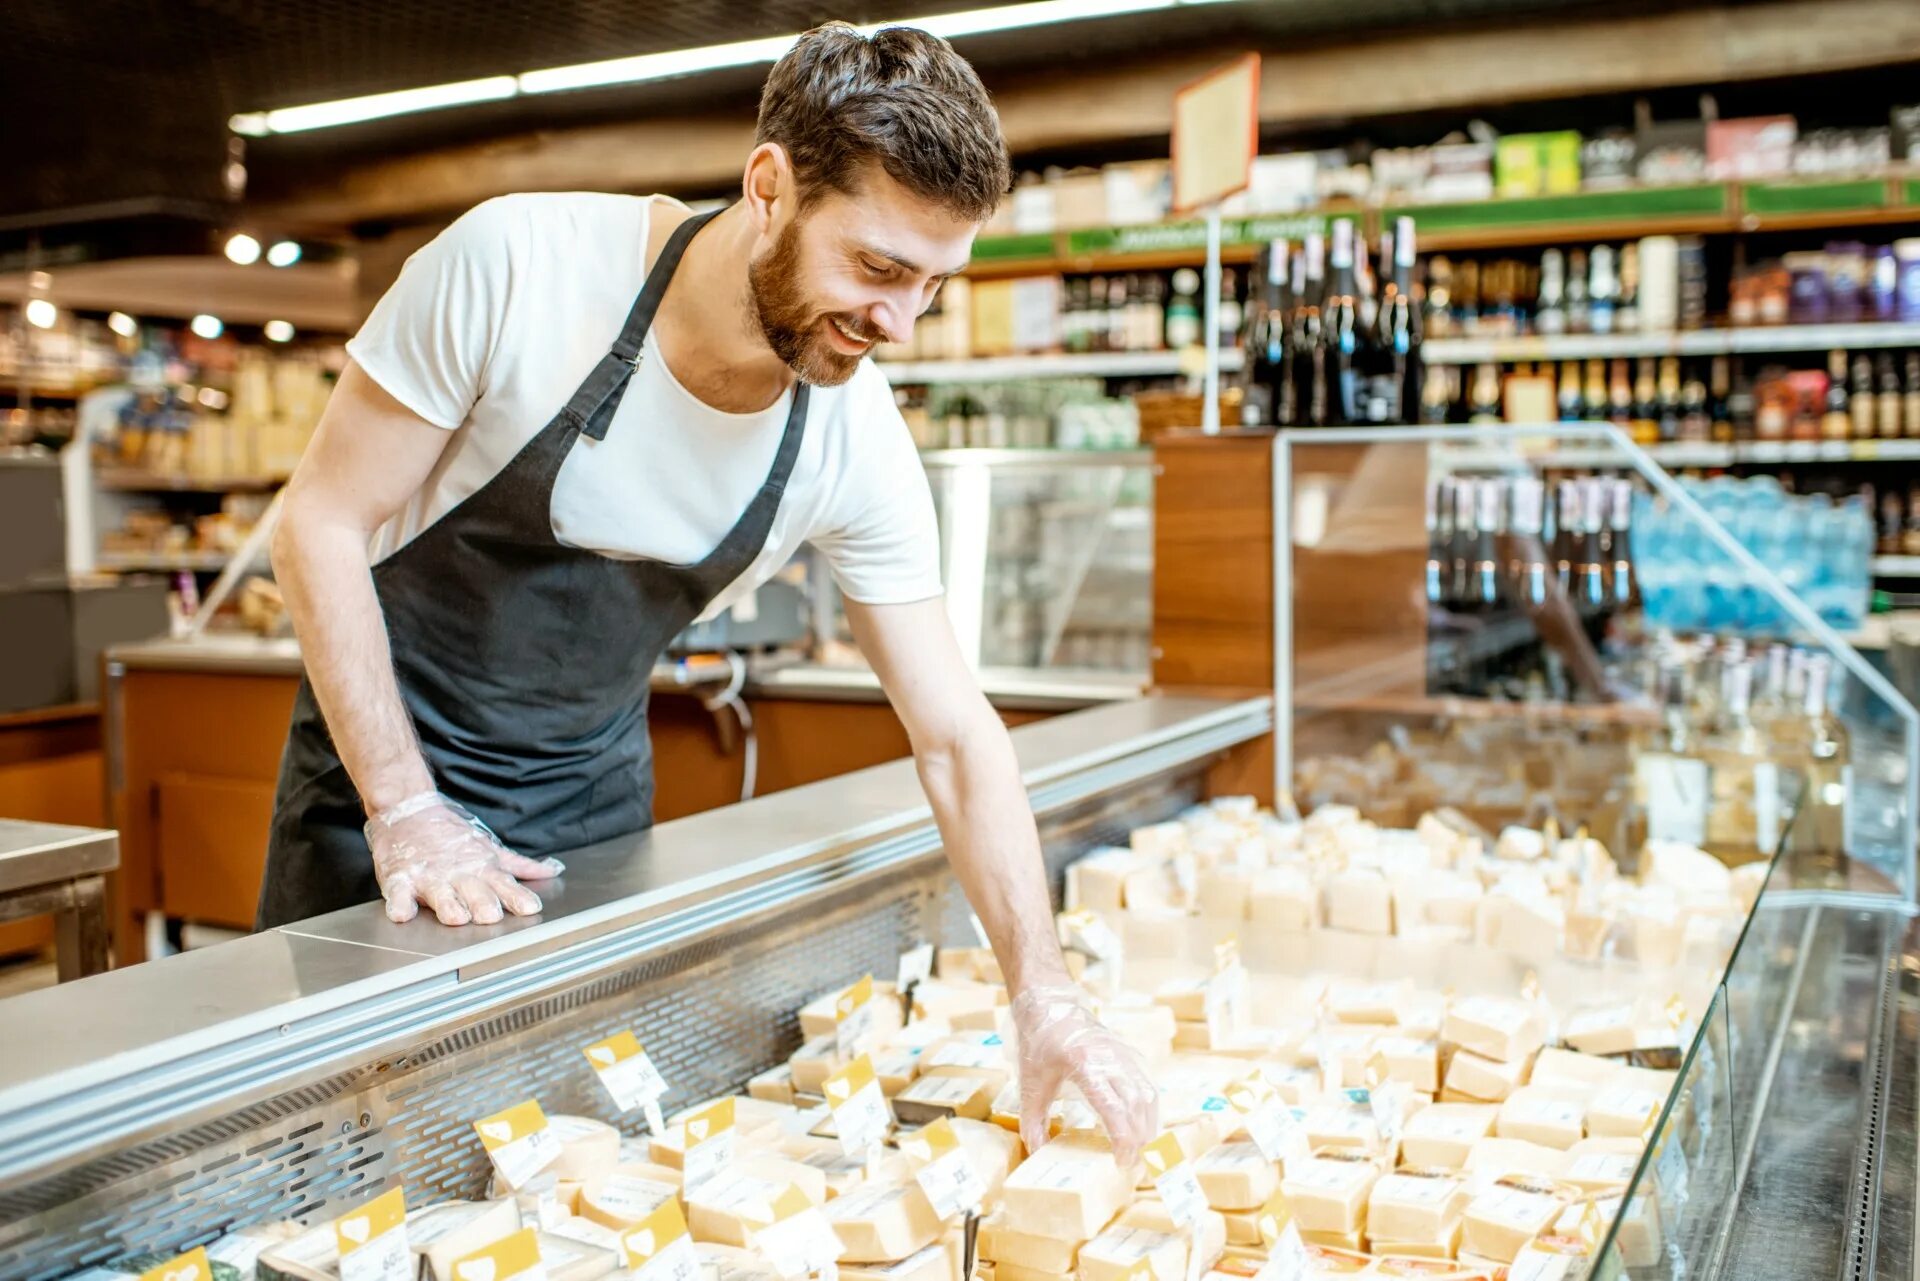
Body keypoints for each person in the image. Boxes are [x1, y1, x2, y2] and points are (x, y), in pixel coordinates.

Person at [260, 22, 1155, 1161]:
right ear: (770, 186)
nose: (898, 326)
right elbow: (318, 526)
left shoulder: (852, 439)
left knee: (559, 1169)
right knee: (338, 1164)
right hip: (374, 804)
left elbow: (955, 737)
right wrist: (408, 810)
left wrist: (1045, 993)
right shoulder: (519, 269)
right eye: (879, 269)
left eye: (933, 286)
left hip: (590, 819)